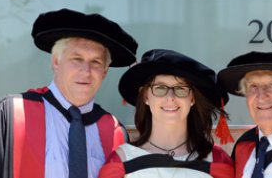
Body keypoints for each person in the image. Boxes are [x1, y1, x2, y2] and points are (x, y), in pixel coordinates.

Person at [0, 8, 138, 178]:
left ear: (105, 72)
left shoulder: (114, 132)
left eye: (96, 62)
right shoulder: (11, 114)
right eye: (77, 59)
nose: (86, 71)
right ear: (56, 61)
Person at [99, 49, 235, 178]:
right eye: (160, 88)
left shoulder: (217, 160)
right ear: (145, 96)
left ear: (192, 98)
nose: (170, 97)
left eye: (180, 88)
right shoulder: (122, 161)